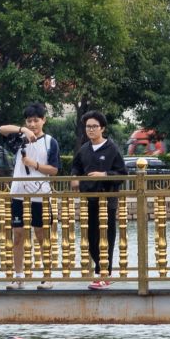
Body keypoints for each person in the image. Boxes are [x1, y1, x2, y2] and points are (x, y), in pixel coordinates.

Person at [0, 105, 60, 290]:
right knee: (17, 235)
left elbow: (54, 170)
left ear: (43, 120)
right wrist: (22, 130)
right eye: (29, 121)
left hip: (41, 195)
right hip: (18, 193)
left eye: (36, 120)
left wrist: (34, 164)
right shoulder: (20, 138)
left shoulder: (50, 142)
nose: (33, 124)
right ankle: (19, 277)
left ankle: (47, 276)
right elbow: (1, 129)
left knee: (41, 235)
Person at [68, 111, 128, 289]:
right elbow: (76, 166)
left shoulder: (112, 148)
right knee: (90, 238)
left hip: (107, 199)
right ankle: (102, 272)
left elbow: (123, 174)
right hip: (89, 199)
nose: (91, 129)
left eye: (94, 126)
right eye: (88, 126)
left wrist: (105, 175)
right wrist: (74, 178)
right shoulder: (84, 149)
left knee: (106, 237)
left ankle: (104, 274)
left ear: (102, 128)